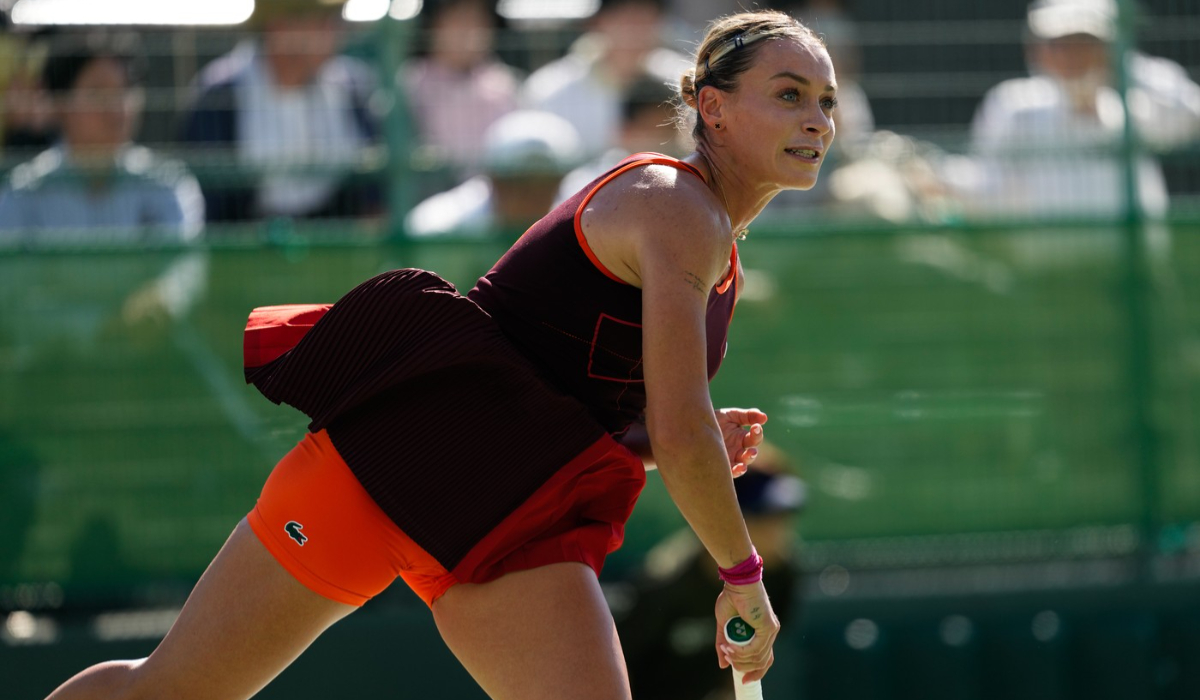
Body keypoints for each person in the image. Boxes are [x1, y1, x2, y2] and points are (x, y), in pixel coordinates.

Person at [45, 9, 837, 699]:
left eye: (826, 103)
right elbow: (680, 430)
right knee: (173, 692)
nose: (817, 121)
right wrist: (741, 574)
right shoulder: (676, 210)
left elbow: (585, 405)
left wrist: (659, 438)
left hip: (509, 524)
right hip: (394, 469)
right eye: (790, 95)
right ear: (715, 110)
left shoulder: (712, 242)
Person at [963, 0, 1200, 219]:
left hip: (1134, 263)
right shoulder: (1016, 105)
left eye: (1084, 42)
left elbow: (1191, 115)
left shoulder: (1135, 106)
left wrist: (1122, 63)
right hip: (1044, 262)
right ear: (1036, 48)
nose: (1069, 55)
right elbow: (988, 186)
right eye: (1058, 44)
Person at [614, 443, 807, 700]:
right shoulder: (662, 584)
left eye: (784, 515)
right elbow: (619, 667)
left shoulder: (782, 573)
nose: (780, 531)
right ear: (726, 519)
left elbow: (753, 658)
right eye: (765, 515)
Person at [178, 0, 380, 223]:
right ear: (278, 26)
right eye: (320, 19)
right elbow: (211, 207)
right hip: (250, 248)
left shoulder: (353, 89)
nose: (334, 29)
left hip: (337, 245)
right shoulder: (219, 96)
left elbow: (374, 197)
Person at [0, 30, 204, 242]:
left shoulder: (166, 184)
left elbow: (179, 271)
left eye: (125, 91)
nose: (117, 109)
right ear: (59, 103)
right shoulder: (23, 195)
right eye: (98, 93)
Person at [520, 0, 688, 158]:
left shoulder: (686, 80)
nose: (633, 25)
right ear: (598, 20)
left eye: (644, 12)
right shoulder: (549, 90)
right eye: (621, 12)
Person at [405, 109, 582, 238]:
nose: (532, 195)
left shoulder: (583, 223)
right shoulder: (440, 228)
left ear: (561, 181)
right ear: (493, 180)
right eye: (519, 182)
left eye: (544, 182)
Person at [400, 0, 522, 181]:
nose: (471, 30)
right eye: (459, 18)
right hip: (433, 197)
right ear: (434, 24)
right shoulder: (409, 84)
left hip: (497, 196)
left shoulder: (507, 84)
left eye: (478, 18)